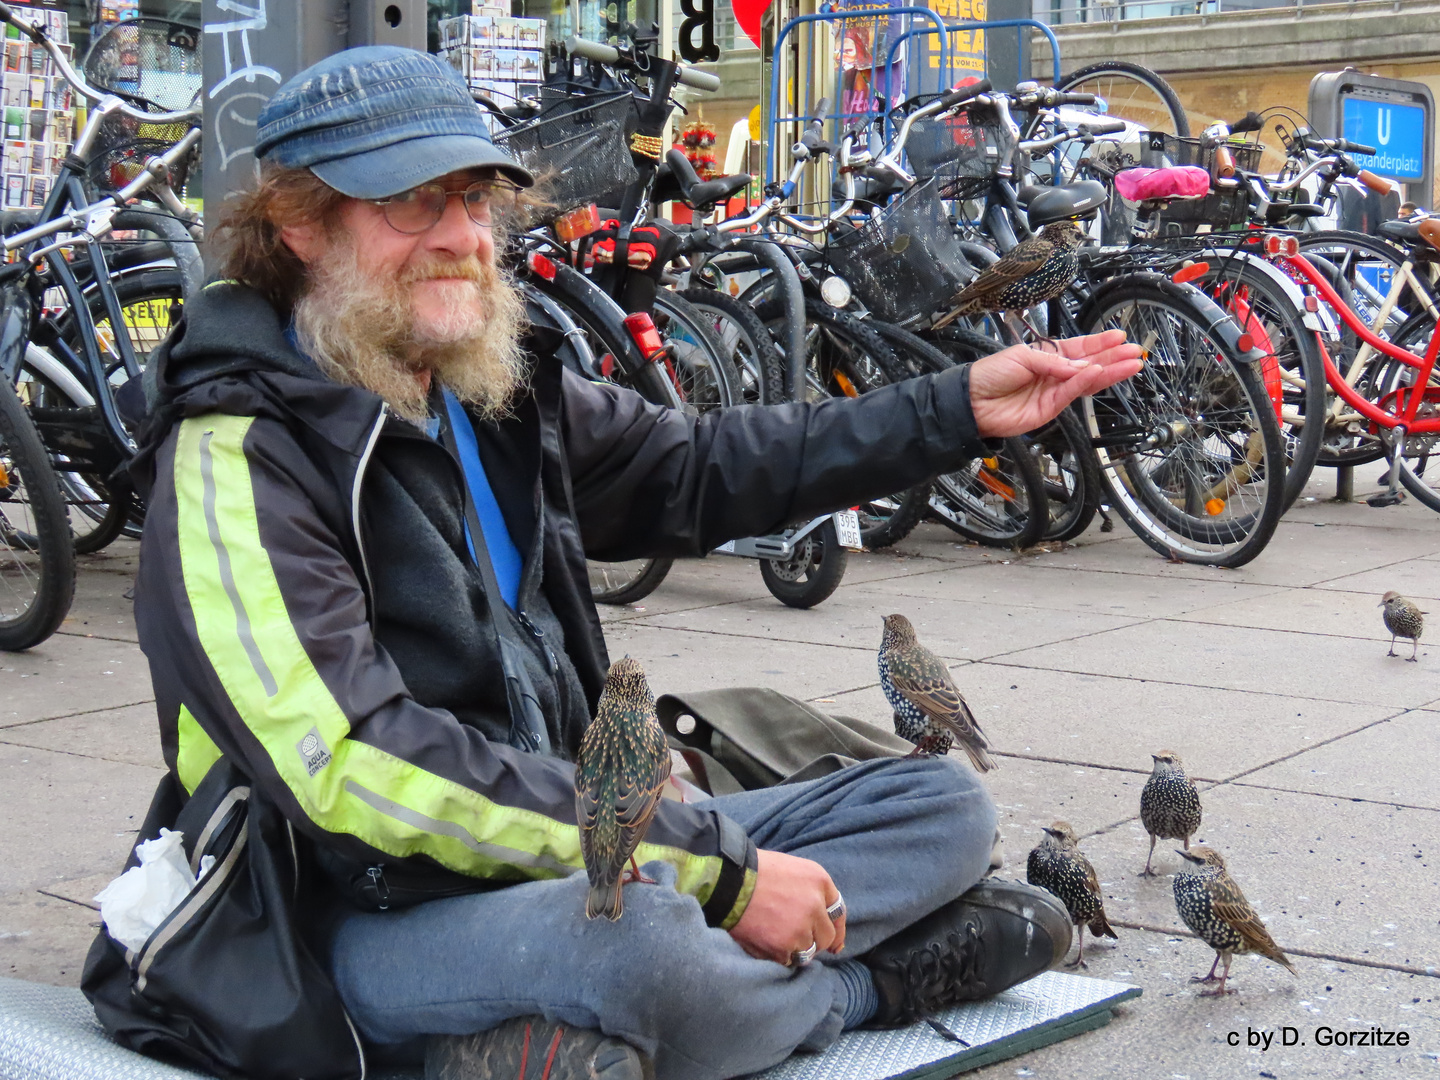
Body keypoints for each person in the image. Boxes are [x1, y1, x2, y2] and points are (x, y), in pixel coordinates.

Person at [129, 46, 1143, 1080]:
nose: (463, 239)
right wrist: (721, 879)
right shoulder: (237, 455)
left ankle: (627, 1026)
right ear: (300, 226)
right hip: (362, 908)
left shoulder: (489, 393)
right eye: (414, 205)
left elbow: (703, 467)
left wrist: (950, 408)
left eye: (475, 202)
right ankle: (861, 985)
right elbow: (351, 769)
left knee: (940, 805)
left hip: (583, 840)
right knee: (645, 950)